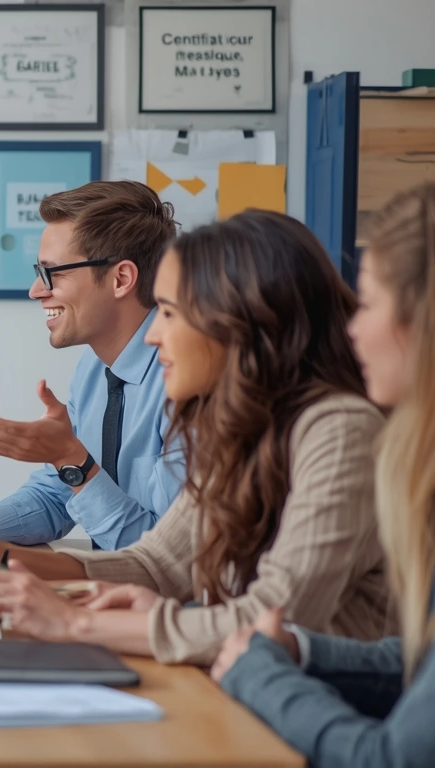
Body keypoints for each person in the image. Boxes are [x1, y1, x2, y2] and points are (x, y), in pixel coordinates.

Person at [0, 210, 392, 665]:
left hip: (320, 710)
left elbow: (273, 619)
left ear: (237, 321)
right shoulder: (246, 427)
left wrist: (76, 623)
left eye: (169, 312)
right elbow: (157, 564)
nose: (153, 335)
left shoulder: (340, 430)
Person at [210, 184, 435, 766]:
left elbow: (390, 759)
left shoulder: (344, 429)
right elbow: (418, 663)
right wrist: (299, 651)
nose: (353, 326)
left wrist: (262, 672)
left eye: (368, 302)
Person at [0, 181, 183, 552]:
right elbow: (61, 492)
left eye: (53, 272)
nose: (36, 290)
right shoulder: (92, 371)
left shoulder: (186, 382)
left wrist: (72, 459)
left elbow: (165, 558)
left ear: (121, 279)